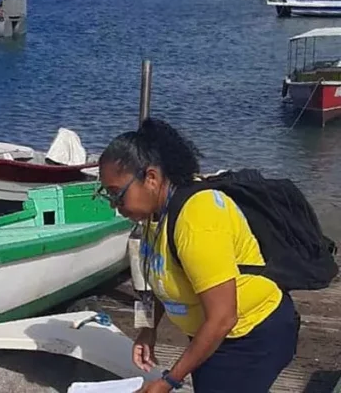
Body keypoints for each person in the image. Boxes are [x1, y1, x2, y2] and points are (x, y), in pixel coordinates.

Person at [96, 117, 298, 393]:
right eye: (107, 195)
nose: (114, 205)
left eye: (117, 194)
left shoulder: (197, 219)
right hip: (211, 337)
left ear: (151, 178)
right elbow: (154, 278)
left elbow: (223, 317)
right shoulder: (154, 215)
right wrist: (147, 329)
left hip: (251, 336)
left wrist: (168, 381)